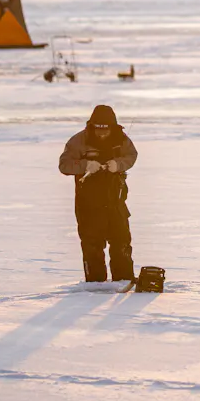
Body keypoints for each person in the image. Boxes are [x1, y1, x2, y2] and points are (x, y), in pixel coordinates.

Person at [58, 105, 138, 283]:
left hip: (115, 201)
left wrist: (118, 164)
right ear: (92, 126)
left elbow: (131, 156)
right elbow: (64, 165)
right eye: (98, 128)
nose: (102, 133)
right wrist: (85, 165)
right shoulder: (78, 141)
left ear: (113, 127)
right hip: (88, 204)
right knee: (92, 245)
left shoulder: (122, 139)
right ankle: (95, 283)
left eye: (106, 128)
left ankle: (124, 280)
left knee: (121, 241)